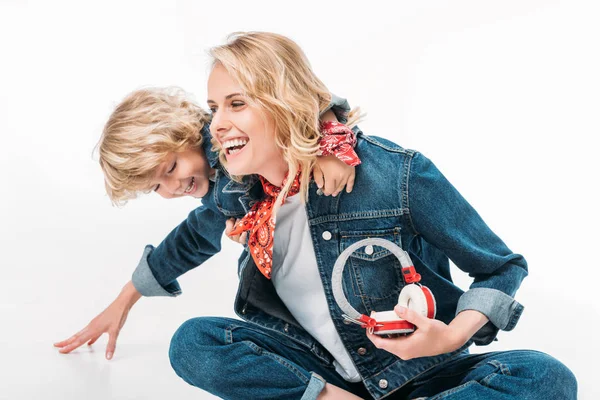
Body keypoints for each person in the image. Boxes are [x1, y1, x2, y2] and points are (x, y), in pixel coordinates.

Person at [159, 32, 576, 399]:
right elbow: (188, 230)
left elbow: (501, 267)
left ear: (284, 103)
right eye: (214, 108)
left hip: (421, 373)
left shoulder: (393, 174)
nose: (218, 124)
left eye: (237, 103)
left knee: (543, 377)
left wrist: (450, 335)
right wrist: (128, 295)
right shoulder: (239, 193)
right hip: (326, 380)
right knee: (193, 342)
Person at [53, 86, 358, 359]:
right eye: (156, 187)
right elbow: (191, 239)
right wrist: (126, 297)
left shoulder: (230, 132)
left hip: (349, 221)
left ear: (188, 134)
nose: (173, 187)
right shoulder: (220, 197)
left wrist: (330, 145)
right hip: (318, 289)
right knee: (199, 339)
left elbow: (296, 98)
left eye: (171, 167)